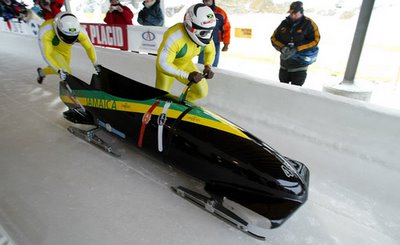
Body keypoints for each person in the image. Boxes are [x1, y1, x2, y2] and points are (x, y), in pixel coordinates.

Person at [155, 3, 216, 101]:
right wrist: (186, 75)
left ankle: (180, 105)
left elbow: (211, 51)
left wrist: (208, 66)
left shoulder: (207, 38)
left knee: (202, 92)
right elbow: (162, 64)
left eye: (210, 31)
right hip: (167, 68)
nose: (208, 36)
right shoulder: (174, 36)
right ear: (190, 26)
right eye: (203, 32)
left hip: (185, 64)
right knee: (161, 97)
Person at [36, 12, 99, 84]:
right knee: (66, 72)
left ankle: (42, 72)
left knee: (60, 69)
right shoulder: (45, 31)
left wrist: (95, 63)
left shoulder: (81, 32)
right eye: (67, 36)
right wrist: (59, 70)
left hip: (66, 50)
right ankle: (70, 93)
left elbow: (89, 47)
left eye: (73, 37)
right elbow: (47, 54)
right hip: (52, 49)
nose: (70, 39)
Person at [271, 1, 320, 86]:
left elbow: (315, 40)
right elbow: (273, 38)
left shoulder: (309, 24)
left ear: (301, 12)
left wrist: (297, 49)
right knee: (283, 89)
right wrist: (282, 48)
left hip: (300, 67)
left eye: (295, 13)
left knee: (295, 92)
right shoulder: (284, 23)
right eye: (291, 12)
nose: (292, 15)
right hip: (284, 65)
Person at [198, 0, 230, 67]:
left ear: (213, 1)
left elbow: (226, 28)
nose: (206, 3)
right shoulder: (199, 11)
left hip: (215, 43)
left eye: (208, 1)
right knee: (201, 65)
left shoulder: (220, 13)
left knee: (213, 66)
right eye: (205, 1)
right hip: (202, 42)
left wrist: (226, 44)